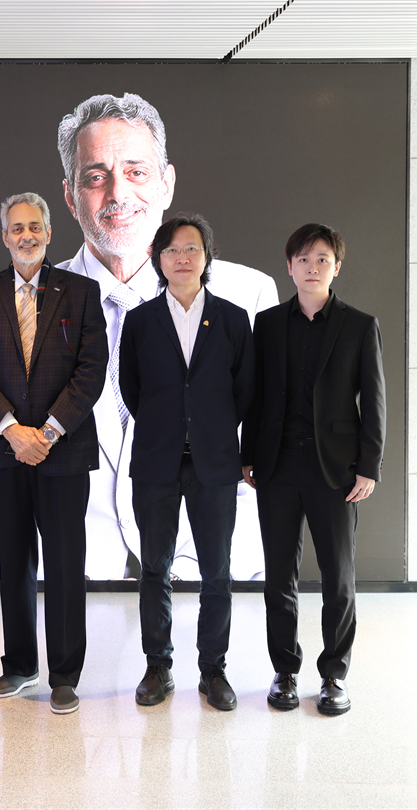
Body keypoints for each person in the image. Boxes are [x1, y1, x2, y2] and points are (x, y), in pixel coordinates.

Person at [0, 92, 277, 582]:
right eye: (96, 177)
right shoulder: (20, 298)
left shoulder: (247, 296)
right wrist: (44, 566)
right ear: (69, 197)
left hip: (203, 586)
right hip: (51, 585)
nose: (117, 193)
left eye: (136, 171)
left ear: (166, 184)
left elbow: (267, 453)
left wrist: (195, 572)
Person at [0, 193, 107, 714]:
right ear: (4, 236)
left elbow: (92, 369)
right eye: (16, 228)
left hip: (62, 449)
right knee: (16, 559)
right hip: (7, 452)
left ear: (49, 232)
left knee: (66, 563)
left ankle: (65, 674)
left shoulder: (81, 291)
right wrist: (12, 431)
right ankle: (20, 666)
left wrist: (46, 432)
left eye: (34, 227)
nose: (26, 236)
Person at [242, 224, 385, 716]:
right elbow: (256, 397)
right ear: (289, 267)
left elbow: (374, 401)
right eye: (303, 259)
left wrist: (369, 465)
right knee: (278, 575)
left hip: (337, 470)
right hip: (277, 466)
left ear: (336, 267)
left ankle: (334, 675)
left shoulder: (360, 325)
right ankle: (284, 670)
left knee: (338, 578)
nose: (312, 267)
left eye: (322, 259)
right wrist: (248, 455)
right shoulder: (267, 324)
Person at [118, 214, 254, 711]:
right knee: (155, 568)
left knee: (217, 571)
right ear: (159, 259)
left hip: (214, 464)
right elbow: (131, 388)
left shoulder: (233, 319)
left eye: (192, 248)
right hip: (157, 460)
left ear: (206, 257)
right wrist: (170, 427)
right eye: (172, 249)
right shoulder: (140, 321)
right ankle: (158, 666)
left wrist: (210, 430)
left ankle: (213, 670)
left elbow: (245, 391)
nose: (182, 257)